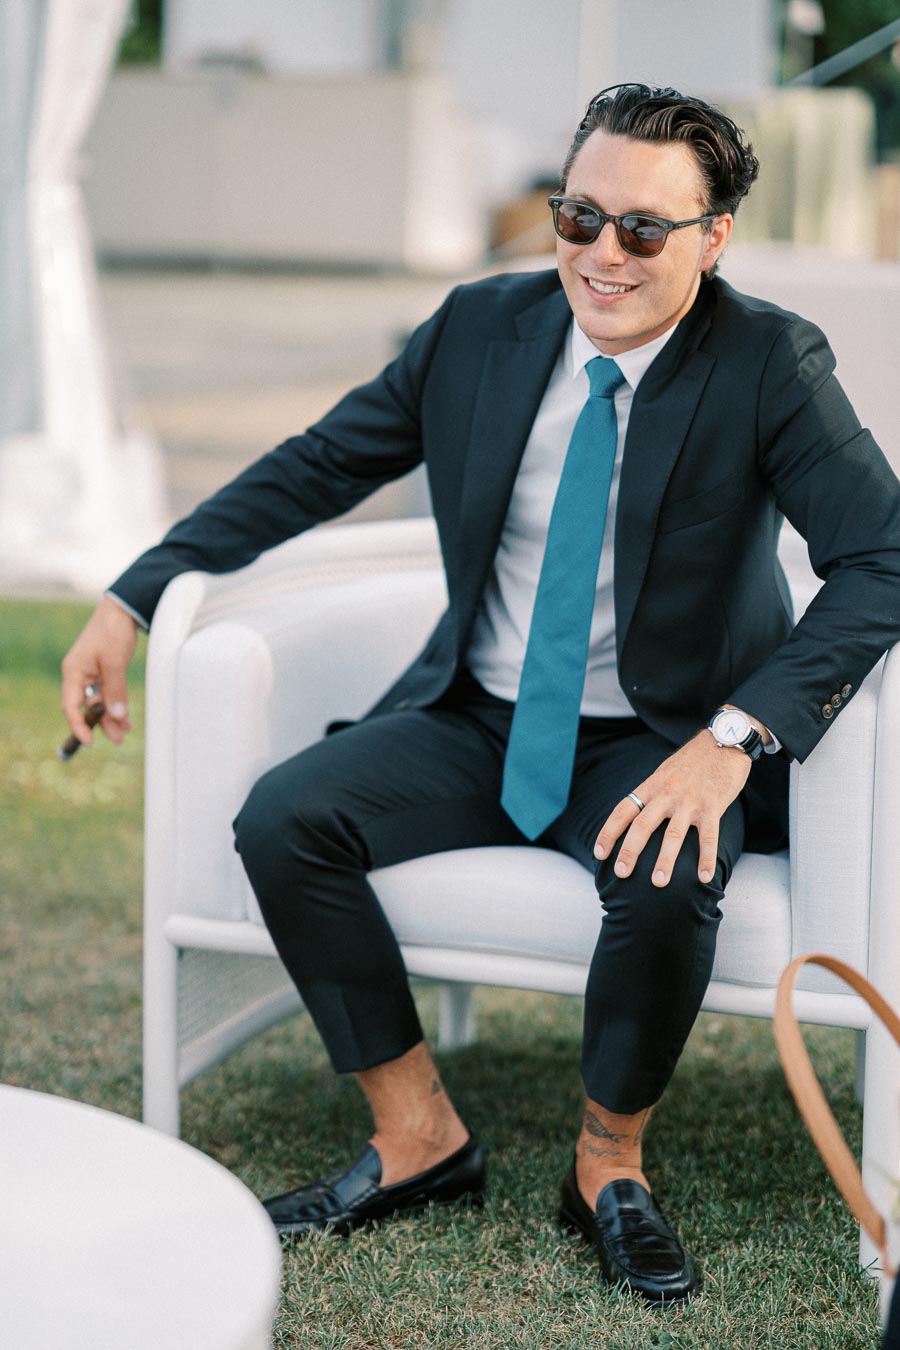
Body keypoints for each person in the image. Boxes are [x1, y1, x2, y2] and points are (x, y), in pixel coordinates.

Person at [61, 83, 900, 1305]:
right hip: (480, 712)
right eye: (578, 218)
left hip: (666, 730)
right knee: (286, 819)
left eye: (645, 232)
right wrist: (134, 595)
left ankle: (608, 1164)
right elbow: (316, 468)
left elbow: (880, 557)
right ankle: (418, 1138)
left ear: (714, 238)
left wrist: (735, 740)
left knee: (670, 871)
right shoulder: (477, 330)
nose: (603, 256)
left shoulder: (769, 362)